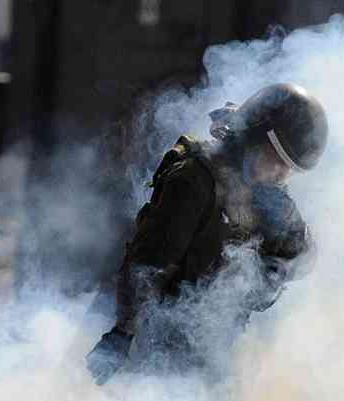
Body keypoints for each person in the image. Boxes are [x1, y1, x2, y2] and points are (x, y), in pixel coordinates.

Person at [86, 83, 328, 384]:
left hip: (211, 349)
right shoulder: (195, 180)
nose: (281, 174)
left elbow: (305, 260)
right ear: (254, 138)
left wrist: (289, 226)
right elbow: (150, 264)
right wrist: (122, 333)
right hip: (156, 342)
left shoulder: (265, 195)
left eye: (289, 169)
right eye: (277, 159)